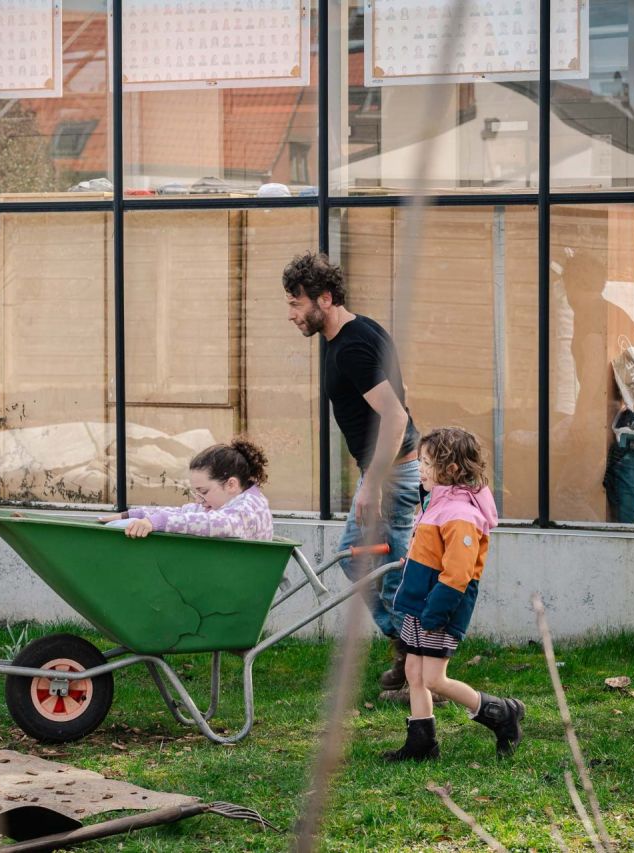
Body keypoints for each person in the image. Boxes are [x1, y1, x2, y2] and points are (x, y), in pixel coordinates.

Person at [282, 251, 421, 691]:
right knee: (364, 562)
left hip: (393, 475)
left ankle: (413, 661)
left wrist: (372, 485)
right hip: (390, 471)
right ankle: (408, 651)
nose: (291, 315)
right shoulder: (358, 333)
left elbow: (396, 417)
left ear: (324, 298)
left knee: (390, 572)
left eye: (296, 303)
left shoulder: (353, 347)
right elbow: (403, 392)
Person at [382, 427, 525, 762]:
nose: (419, 468)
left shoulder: (461, 513)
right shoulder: (436, 503)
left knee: (433, 678)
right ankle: (422, 744)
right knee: (414, 673)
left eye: (427, 462)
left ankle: (502, 713)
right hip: (421, 604)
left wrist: (436, 612)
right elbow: (433, 551)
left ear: (453, 470)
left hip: (439, 608)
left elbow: (459, 573)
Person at [99, 438, 273, 541]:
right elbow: (184, 512)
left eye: (203, 492)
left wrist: (156, 522)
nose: (199, 499)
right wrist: (134, 515)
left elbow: (219, 524)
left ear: (231, 485)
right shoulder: (226, 502)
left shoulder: (248, 507)